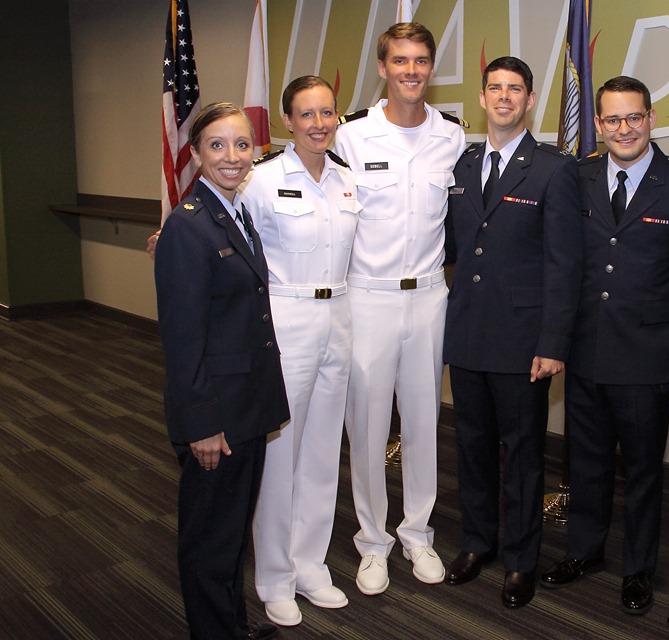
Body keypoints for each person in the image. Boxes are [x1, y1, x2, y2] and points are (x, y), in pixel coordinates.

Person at [540, 76, 669, 615]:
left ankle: (638, 568)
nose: (624, 129)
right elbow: (564, 262)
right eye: (612, 120)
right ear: (598, 125)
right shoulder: (578, 176)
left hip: (645, 354)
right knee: (584, 462)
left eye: (634, 117)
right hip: (586, 349)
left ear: (651, 119)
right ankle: (585, 551)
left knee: (640, 470)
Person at [442, 56, 582, 608]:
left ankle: (522, 559)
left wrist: (553, 342)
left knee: (522, 454)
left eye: (515, 89)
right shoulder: (461, 163)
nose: (504, 97)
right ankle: (479, 542)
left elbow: (564, 263)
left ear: (528, 101)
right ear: (482, 98)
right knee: (472, 446)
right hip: (468, 331)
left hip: (523, 340)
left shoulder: (552, 168)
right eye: (494, 88)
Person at [333, 22, 466, 596]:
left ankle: (417, 532)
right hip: (369, 296)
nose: (411, 71)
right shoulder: (352, 138)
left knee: (422, 420)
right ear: (383, 68)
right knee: (365, 425)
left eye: (421, 61)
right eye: (400, 61)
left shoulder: (452, 137)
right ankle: (372, 542)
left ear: (430, 69)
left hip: (430, 296)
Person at [154, 102, 286, 640]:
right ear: (195, 153)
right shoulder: (187, 228)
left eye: (241, 145)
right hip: (218, 416)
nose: (231, 156)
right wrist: (201, 423)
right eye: (216, 145)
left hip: (246, 404)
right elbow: (182, 341)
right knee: (210, 540)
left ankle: (230, 625)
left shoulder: (232, 211)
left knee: (232, 533)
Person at [242, 76, 359, 626]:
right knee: (280, 454)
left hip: (338, 318)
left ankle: (309, 562)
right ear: (288, 121)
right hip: (286, 321)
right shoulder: (262, 182)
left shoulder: (345, 180)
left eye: (327, 113)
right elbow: (234, 251)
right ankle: (274, 575)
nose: (319, 124)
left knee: (320, 452)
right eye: (306, 114)